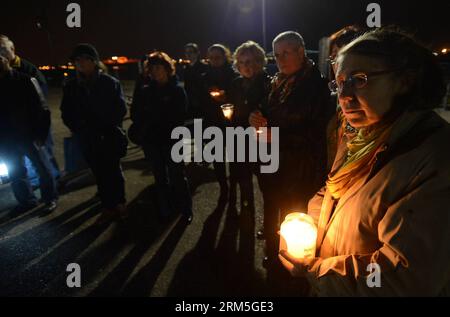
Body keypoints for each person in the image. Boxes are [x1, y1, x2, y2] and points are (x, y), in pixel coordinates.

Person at [279, 27, 450, 296]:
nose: (344, 95)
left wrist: (316, 269)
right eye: (340, 82)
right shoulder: (360, 136)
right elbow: (334, 191)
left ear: (404, 80)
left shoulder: (434, 156)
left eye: (360, 80)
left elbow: (403, 278)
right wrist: (307, 224)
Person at [249, 31, 334, 273]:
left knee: (292, 214)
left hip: (298, 168)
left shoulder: (315, 86)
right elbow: (264, 108)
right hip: (274, 160)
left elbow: (316, 133)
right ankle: (274, 249)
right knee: (271, 204)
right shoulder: (277, 81)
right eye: (277, 55)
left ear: (301, 51)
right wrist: (253, 116)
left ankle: (290, 263)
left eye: (286, 53)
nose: (281, 59)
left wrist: (275, 134)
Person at [60, 43, 128, 225]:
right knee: (98, 173)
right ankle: (108, 206)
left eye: (84, 59)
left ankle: (120, 203)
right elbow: (66, 112)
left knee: (113, 171)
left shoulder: (109, 83)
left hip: (109, 136)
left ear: (94, 62)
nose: (80, 63)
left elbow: (120, 109)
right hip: (87, 138)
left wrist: (105, 125)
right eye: (77, 60)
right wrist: (79, 128)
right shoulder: (71, 86)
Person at [131, 51, 193, 223]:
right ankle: (165, 208)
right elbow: (136, 114)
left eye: (159, 67)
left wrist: (155, 116)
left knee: (177, 176)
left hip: (173, 141)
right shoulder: (144, 91)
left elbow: (179, 116)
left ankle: (185, 208)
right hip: (152, 142)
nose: (156, 72)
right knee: (159, 177)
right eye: (152, 69)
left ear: (167, 69)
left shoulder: (177, 91)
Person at [0, 51, 58, 213]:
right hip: (6, 139)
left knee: (42, 168)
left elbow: (43, 109)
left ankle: (50, 198)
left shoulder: (25, 80)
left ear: (6, 60)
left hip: (29, 135)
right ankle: (26, 202)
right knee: (15, 172)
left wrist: (41, 135)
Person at [0, 34, 61, 180]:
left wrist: (38, 128)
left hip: (33, 126)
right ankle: (37, 185)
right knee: (25, 163)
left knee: (45, 156)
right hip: (13, 130)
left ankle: (55, 182)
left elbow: (41, 102)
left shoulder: (27, 69)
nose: (0, 54)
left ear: (12, 48)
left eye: (3, 49)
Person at [228, 41, 271, 212]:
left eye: (253, 61)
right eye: (243, 62)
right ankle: (248, 214)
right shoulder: (235, 84)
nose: (248, 66)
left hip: (263, 143)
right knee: (244, 181)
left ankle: (270, 224)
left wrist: (258, 114)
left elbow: (272, 110)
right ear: (237, 65)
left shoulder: (269, 83)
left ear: (260, 62)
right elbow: (230, 108)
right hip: (240, 141)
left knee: (267, 185)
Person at [200, 44, 239, 204]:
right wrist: (209, 96)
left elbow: (238, 96)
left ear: (225, 57)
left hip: (231, 123)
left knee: (235, 157)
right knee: (217, 158)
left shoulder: (233, 75)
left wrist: (226, 96)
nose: (215, 60)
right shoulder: (205, 76)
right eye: (212, 58)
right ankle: (224, 188)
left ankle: (234, 188)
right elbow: (200, 99)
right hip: (212, 122)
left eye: (218, 57)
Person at [183, 43, 208, 119]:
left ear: (197, 53)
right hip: (190, 101)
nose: (188, 54)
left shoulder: (204, 67)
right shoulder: (186, 68)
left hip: (202, 101)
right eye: (187, 52)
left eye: (190, 52)